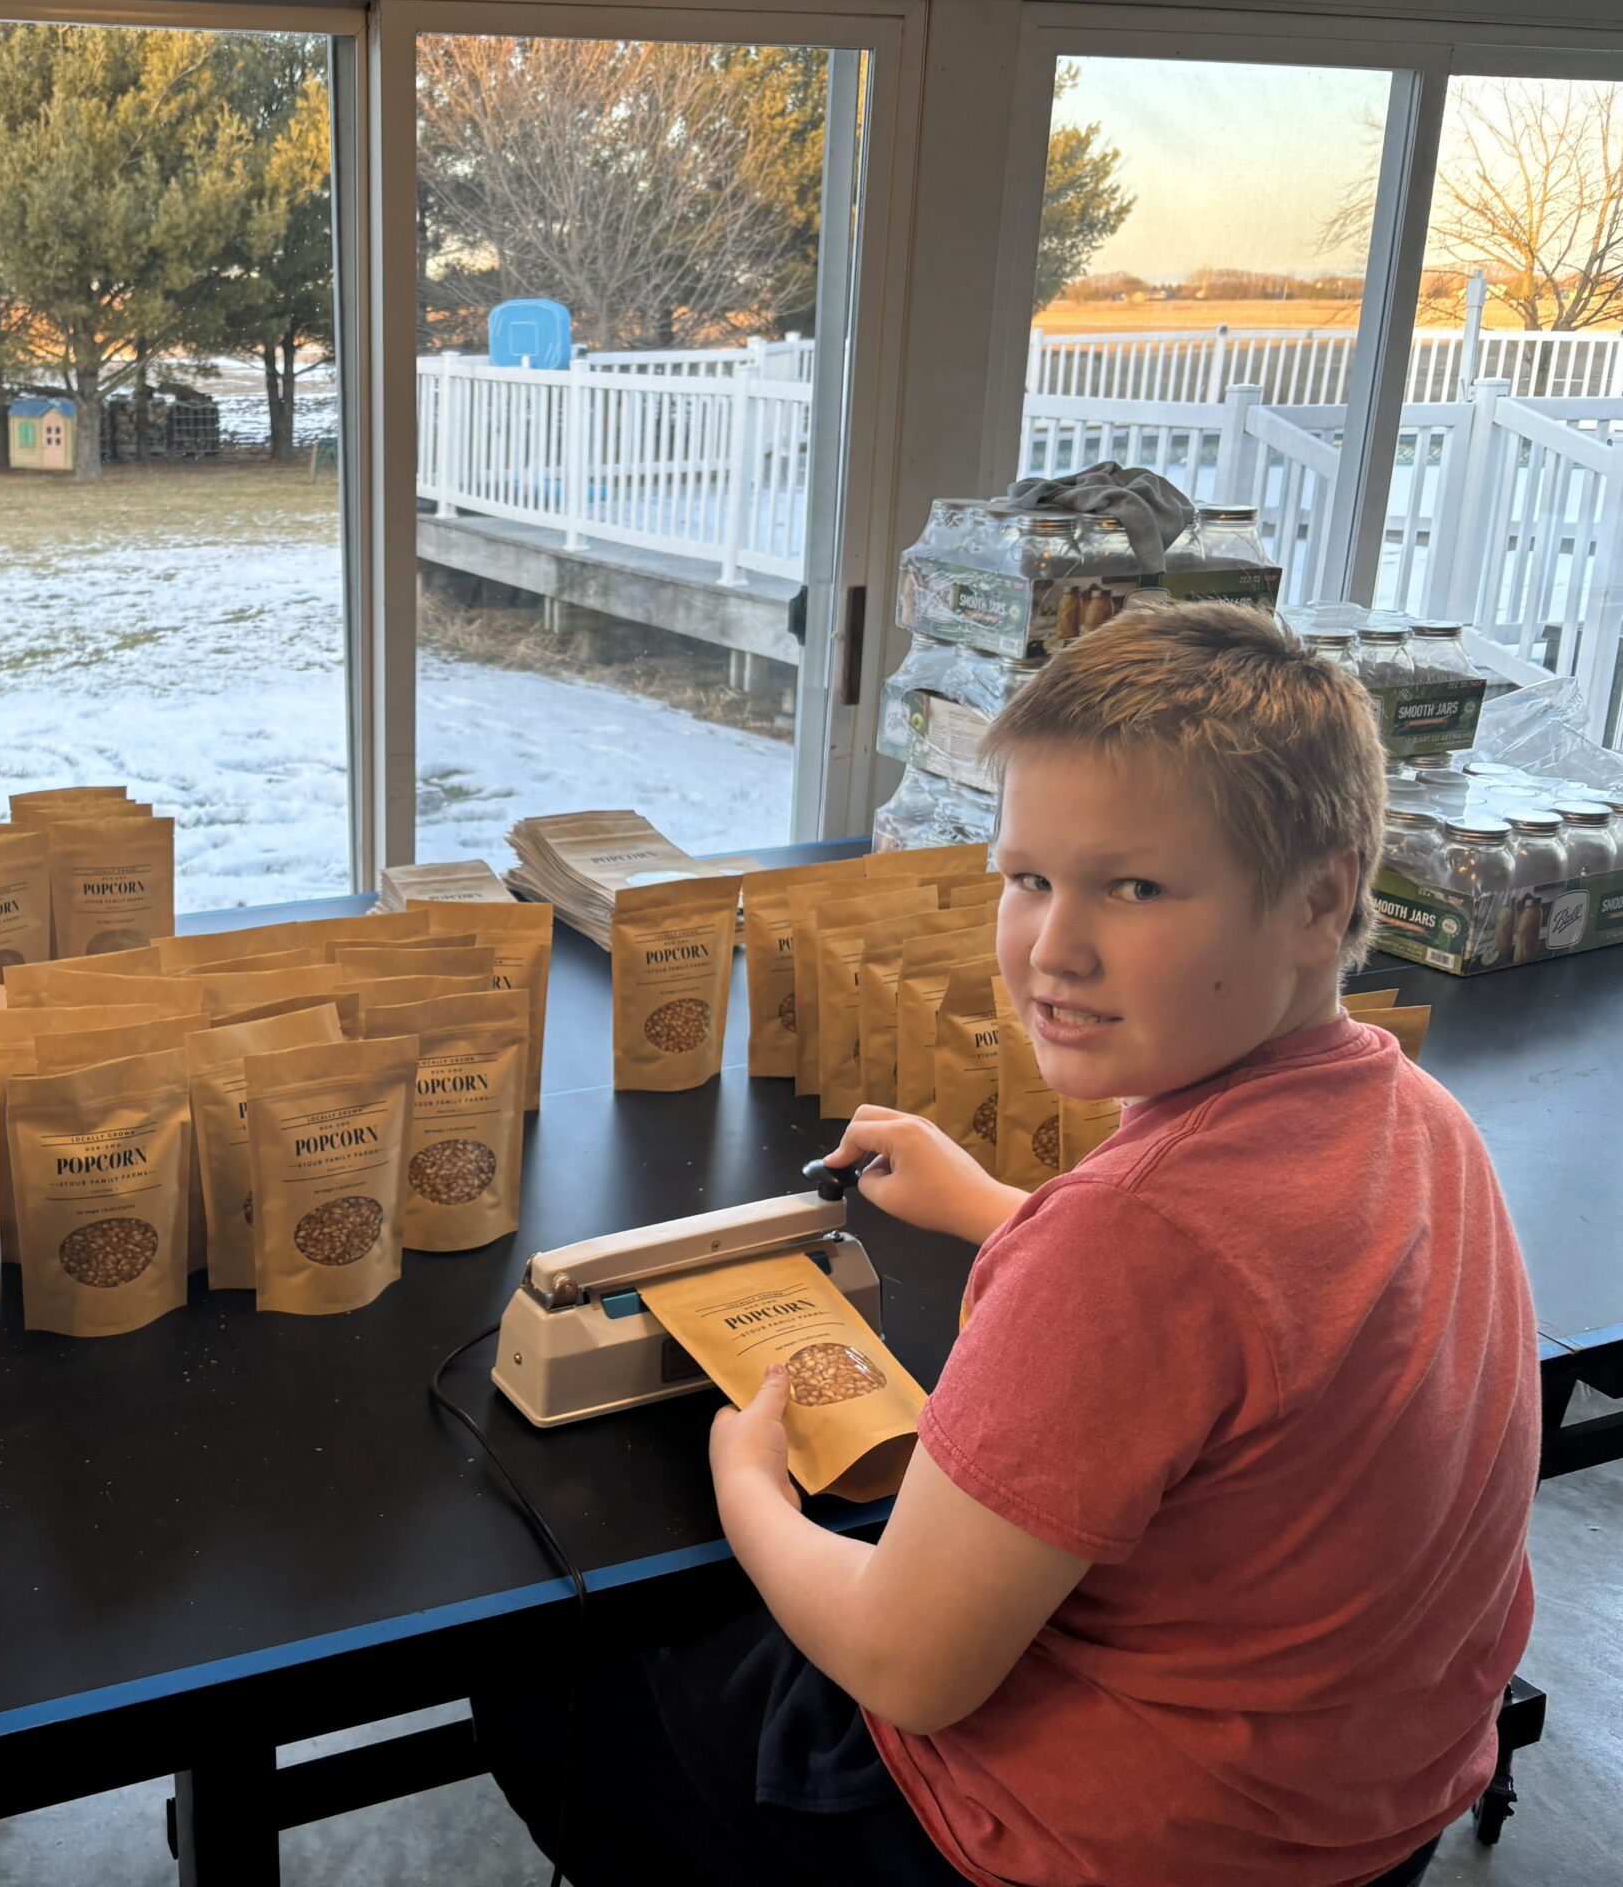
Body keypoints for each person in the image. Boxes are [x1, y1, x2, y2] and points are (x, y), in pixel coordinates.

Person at [478, 604, 1535, 1887]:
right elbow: (1258, 1316)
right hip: (1360, 1817)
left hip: (1103, 1842)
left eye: (1133, 887)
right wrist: (1001, 1206)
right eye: (1028, 878)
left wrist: (744, 1481)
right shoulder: (1416, 1114)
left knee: (544, 1665)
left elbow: (906, 1666)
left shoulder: (1132, 1238)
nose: (1053, 949)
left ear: (1320, 902)